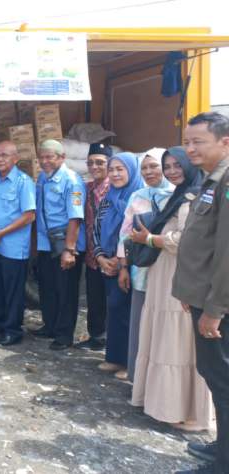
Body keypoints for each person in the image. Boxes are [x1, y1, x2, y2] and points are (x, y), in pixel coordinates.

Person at [131, 146, 213, 432]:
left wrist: (150, 239)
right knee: (166, 337)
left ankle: (186, 411)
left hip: (179, 275)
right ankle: (165, 404)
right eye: (168, 166)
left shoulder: (196, 196)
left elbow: (185, 240)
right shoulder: (180, 194)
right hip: (164, 273)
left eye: (177, 165)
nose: (172, 171)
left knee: (177, 342)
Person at [172, 112, 229, 474]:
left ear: (225, 142)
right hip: (204, 297)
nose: (190, 148)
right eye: (187, 142)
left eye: (198, 142)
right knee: (214, 375)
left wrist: (214, 309)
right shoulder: (212, 179)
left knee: (223, 382)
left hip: (218, 305)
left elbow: (227, 253)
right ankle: (222, 447)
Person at [116, 148, 173, 381]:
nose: (149, 172)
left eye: (154, 166)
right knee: (141, 325)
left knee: (165, 327)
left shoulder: (178, 195)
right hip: (141, 270)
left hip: (168, 271)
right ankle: (137, 377)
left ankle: (159, 382)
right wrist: (123, 267)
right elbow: (125, 234)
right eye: (144, 168)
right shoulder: (138, 196)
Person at [0, 141, 36, 346]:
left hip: (13, 247)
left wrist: (1, 233)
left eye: (4, 155)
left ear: (15, 158)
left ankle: (12, 330)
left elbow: (29, 216)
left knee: (12, 290)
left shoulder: (23, 182)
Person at [93, 152, 144, 374]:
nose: (115, 174)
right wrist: (101, 258)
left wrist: (119, 259)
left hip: (131, 264)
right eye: (112, 169)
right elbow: (95, 229)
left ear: (131, 171)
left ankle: (129, 363)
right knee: (114, 310)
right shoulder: (107, 199)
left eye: (120, 169)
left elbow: (135, 233)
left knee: (130, 313)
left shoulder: (140, 197)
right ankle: (114, 357)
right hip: (108, 264)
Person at [33, 139, 86, 351]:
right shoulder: (43, 178)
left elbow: (75, 217)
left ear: (62, 157)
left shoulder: (72, 181)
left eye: (50, 157)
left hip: (65, 243)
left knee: (66, 290)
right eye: (41, 157)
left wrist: (69, 250)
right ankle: (50, 326)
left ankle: (64, 335)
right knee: (48, 286)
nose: (45, 161)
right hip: (46, 242)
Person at [77, 143, 112, 351]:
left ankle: (111, 340)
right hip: (91, 253)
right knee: (94, 297)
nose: (94, 167)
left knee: (111, 299)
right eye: (90, 163)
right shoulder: (87, 188)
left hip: (110, 254)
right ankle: (96, 337)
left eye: (100, 162)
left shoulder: (115, 187)